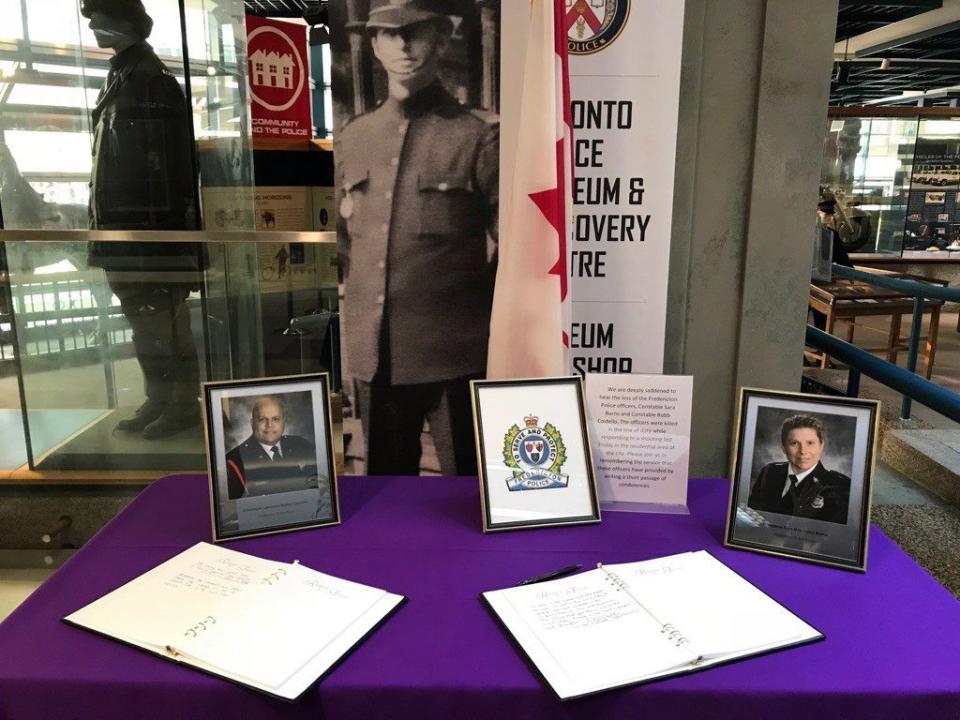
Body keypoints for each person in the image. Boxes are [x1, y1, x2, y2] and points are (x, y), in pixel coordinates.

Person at [335, 0, 498, 476]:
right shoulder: (357, 136)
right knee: (385, 495)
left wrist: (473, 317)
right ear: (375, 45)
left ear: (441, 40)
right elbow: (348, 241)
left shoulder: (476, 136)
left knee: (470, 489)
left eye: (417, 33)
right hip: (378, 355)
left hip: (455, 353)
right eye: (389, 34)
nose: (403, 45)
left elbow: (511, 247)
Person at [81, 0, 208, 439]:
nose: (94, 25)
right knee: (144, 321)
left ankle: (182, 404)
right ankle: (161, 397)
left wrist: (170, 240)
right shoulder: (123, 75)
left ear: (128, 23)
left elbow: (172, 169)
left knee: (164, 321)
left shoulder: (152, 81)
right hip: (125, 232)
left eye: (102, 18)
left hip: (148, 235)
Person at [748, 414, 851, 525]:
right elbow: (751, 515)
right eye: (794, 443)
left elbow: (837, 535)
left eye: (810, 443)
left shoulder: (840, 485)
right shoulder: (769, 471)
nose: (803, 451)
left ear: (821, 446)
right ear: (783, 448)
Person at [226, 396, 319, 499]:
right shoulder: (235, 460)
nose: (269, 425)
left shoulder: (301, 445)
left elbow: (317, 488)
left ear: (283, 422)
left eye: (275, 419)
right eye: (262, 419)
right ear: (252, 423)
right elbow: (234, 510)